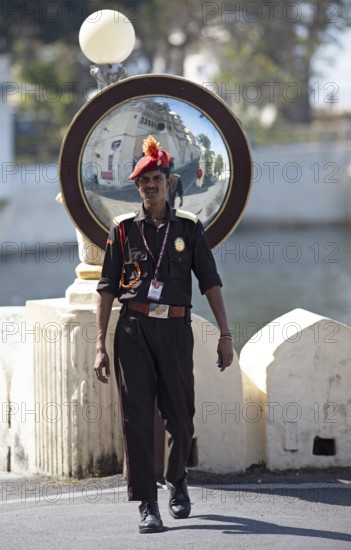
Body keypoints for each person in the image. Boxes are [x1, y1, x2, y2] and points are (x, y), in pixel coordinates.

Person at [94, 135, 234, 534]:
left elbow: (210, 281)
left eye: (156, 177)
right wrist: (99, 345)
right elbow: (106, 288)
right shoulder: (121, 230)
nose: (150, 185)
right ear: (136, 187)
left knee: (181, 418)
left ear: (169, 181)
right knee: (136, 417)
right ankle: (148, 505)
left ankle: (177, 480)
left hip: (174, 328)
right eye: (143, 180)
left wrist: (226, 335)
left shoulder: (189, 228)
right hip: (133, 330)